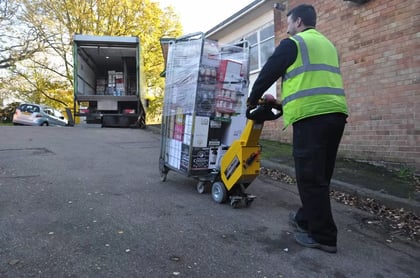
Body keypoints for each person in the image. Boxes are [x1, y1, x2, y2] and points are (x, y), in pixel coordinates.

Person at [247, 4, 348, 253]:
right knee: (320, 174)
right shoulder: (328, 45)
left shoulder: (293, 44)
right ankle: (306, 218)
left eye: (290, 22)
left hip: (311, 119)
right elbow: (314, 84)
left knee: (310, 177)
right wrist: (279, 103)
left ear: (299, 22)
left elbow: (268, 72)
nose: (288, 28)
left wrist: (252, 99)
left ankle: (323, 237)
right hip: (335, 115)